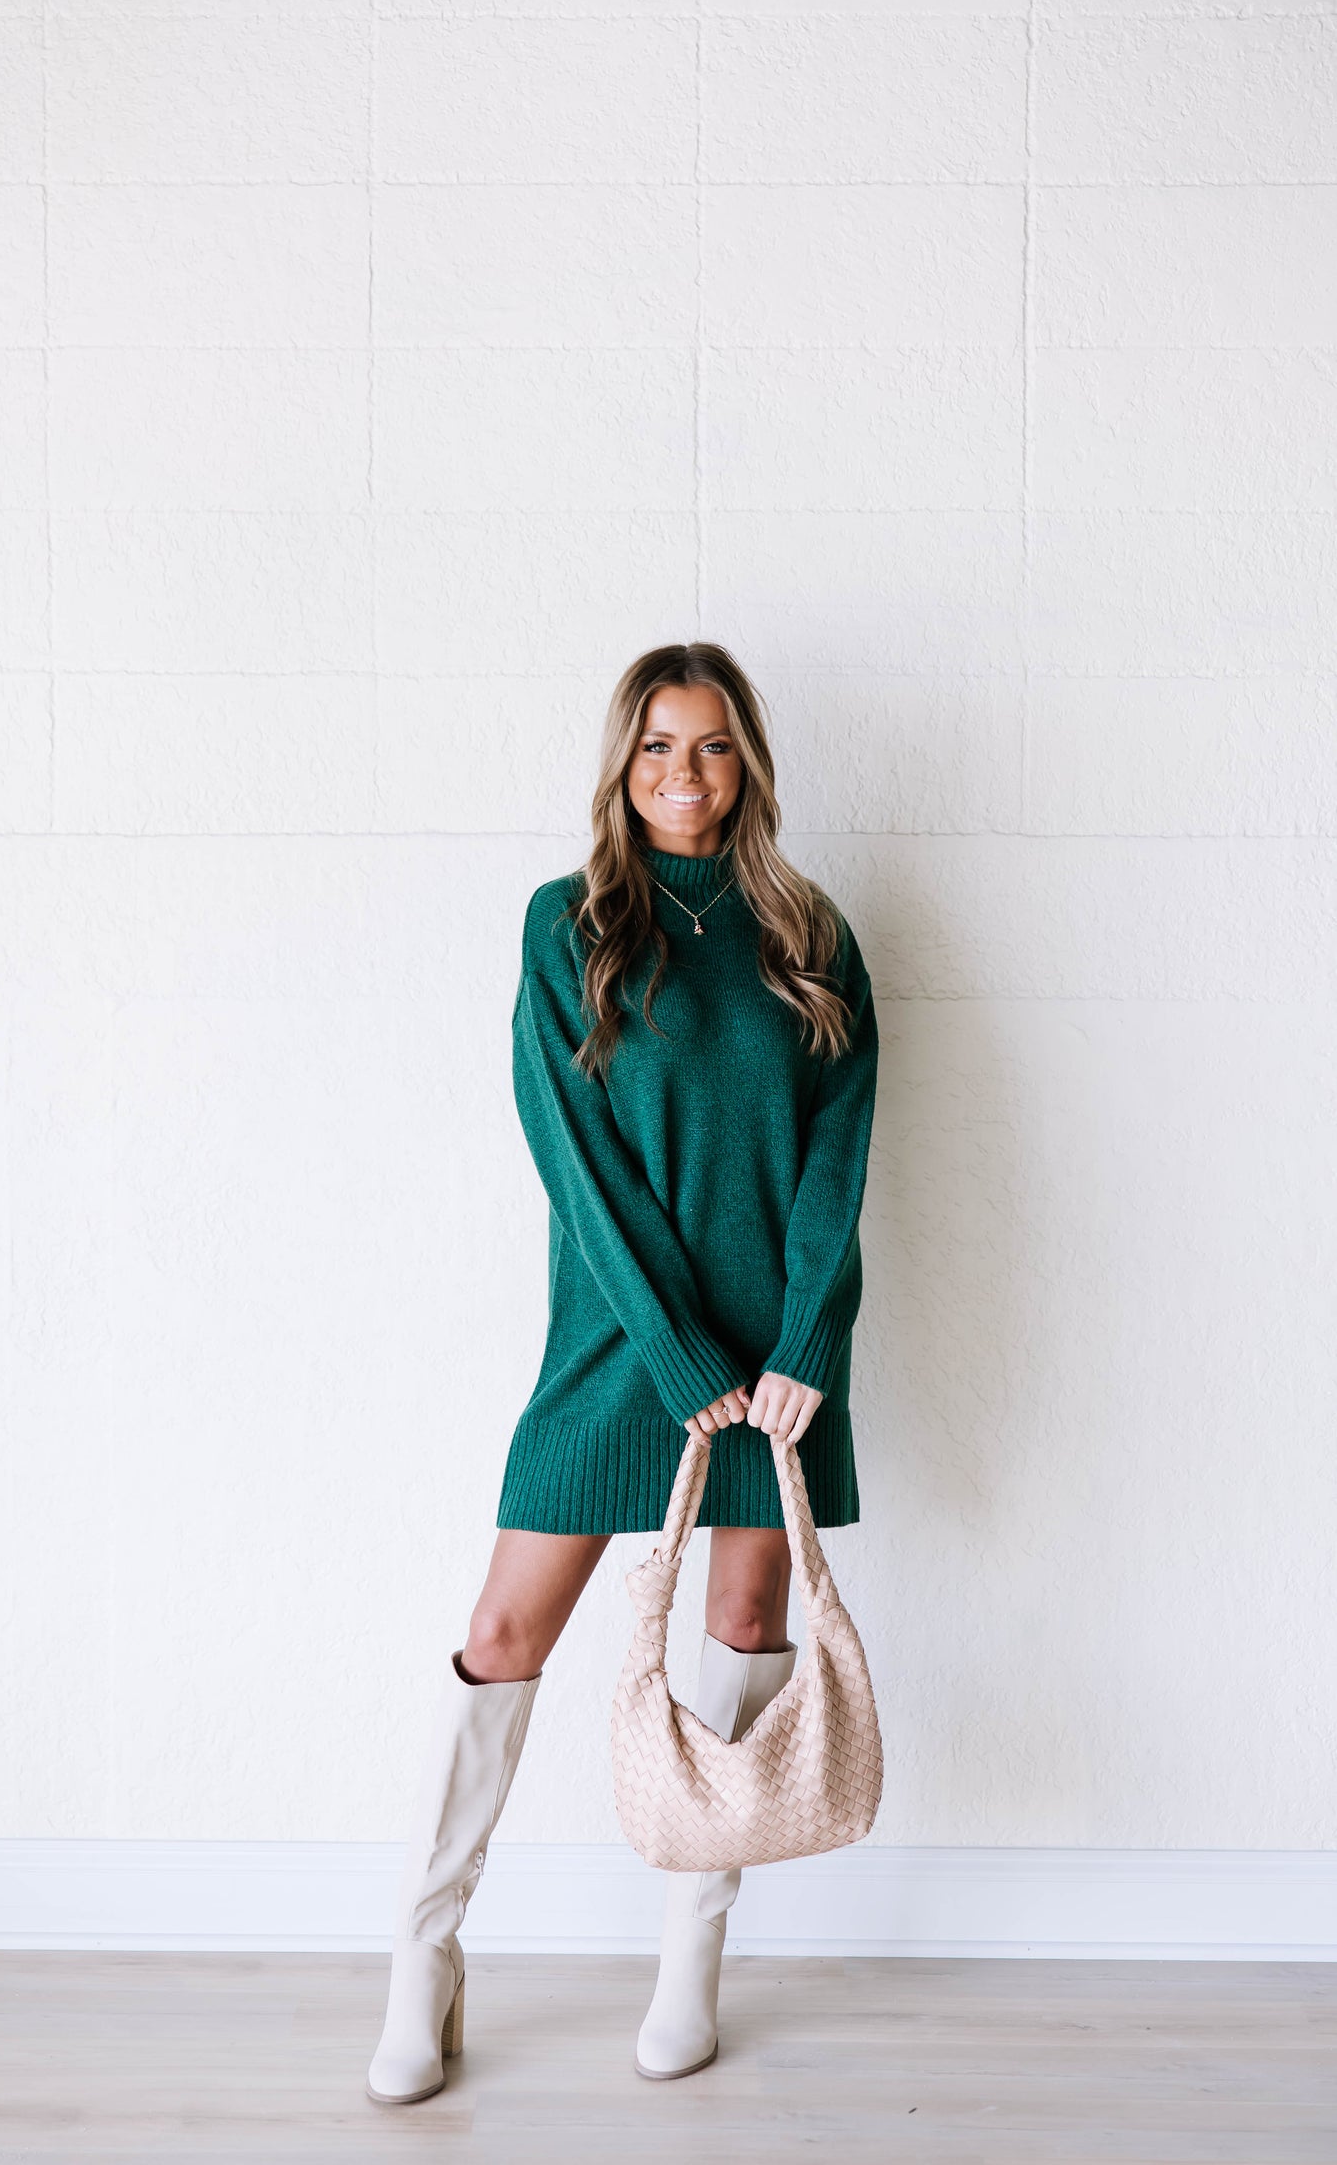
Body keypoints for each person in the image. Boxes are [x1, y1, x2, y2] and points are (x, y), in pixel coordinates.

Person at [367, 642, 880, 2105]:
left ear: (748, 765)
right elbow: (576, 1166)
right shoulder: (571, 924)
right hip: (619, 1347)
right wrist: (675, 1353)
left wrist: (799, 1347)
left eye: (712, 746)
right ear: (620, 762)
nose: (682, 773)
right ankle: (422, 1959)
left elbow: (837, 1164)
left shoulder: (810, 934)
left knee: (735, 1620)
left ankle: (689, 1963)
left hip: (774, 1371)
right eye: (657, 746)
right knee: (503, 1627)